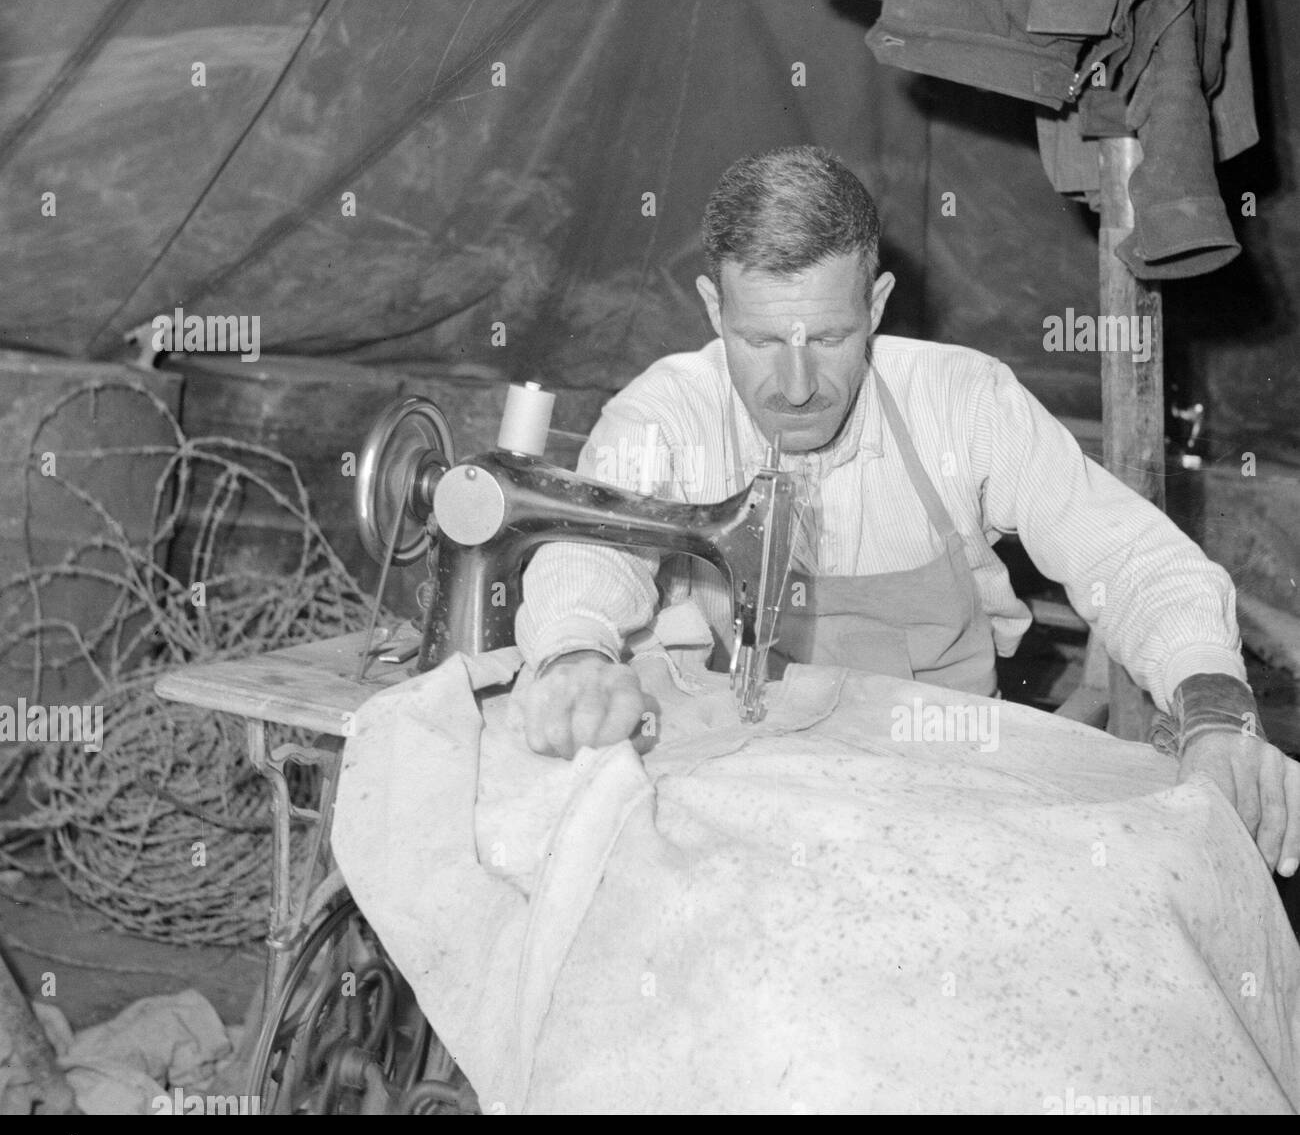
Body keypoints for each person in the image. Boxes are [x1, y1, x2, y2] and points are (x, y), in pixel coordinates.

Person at [514, 145, 1300, 877]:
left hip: (955, 787)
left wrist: (1215, 706)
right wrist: (572, 653)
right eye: (758, 339)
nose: (794, 385)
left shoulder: (964, 403)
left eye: (828, 337)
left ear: (878, 303)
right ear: (712, 307)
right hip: (755, 783)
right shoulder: (664, 416)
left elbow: (1133, 559)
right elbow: (590, 559)